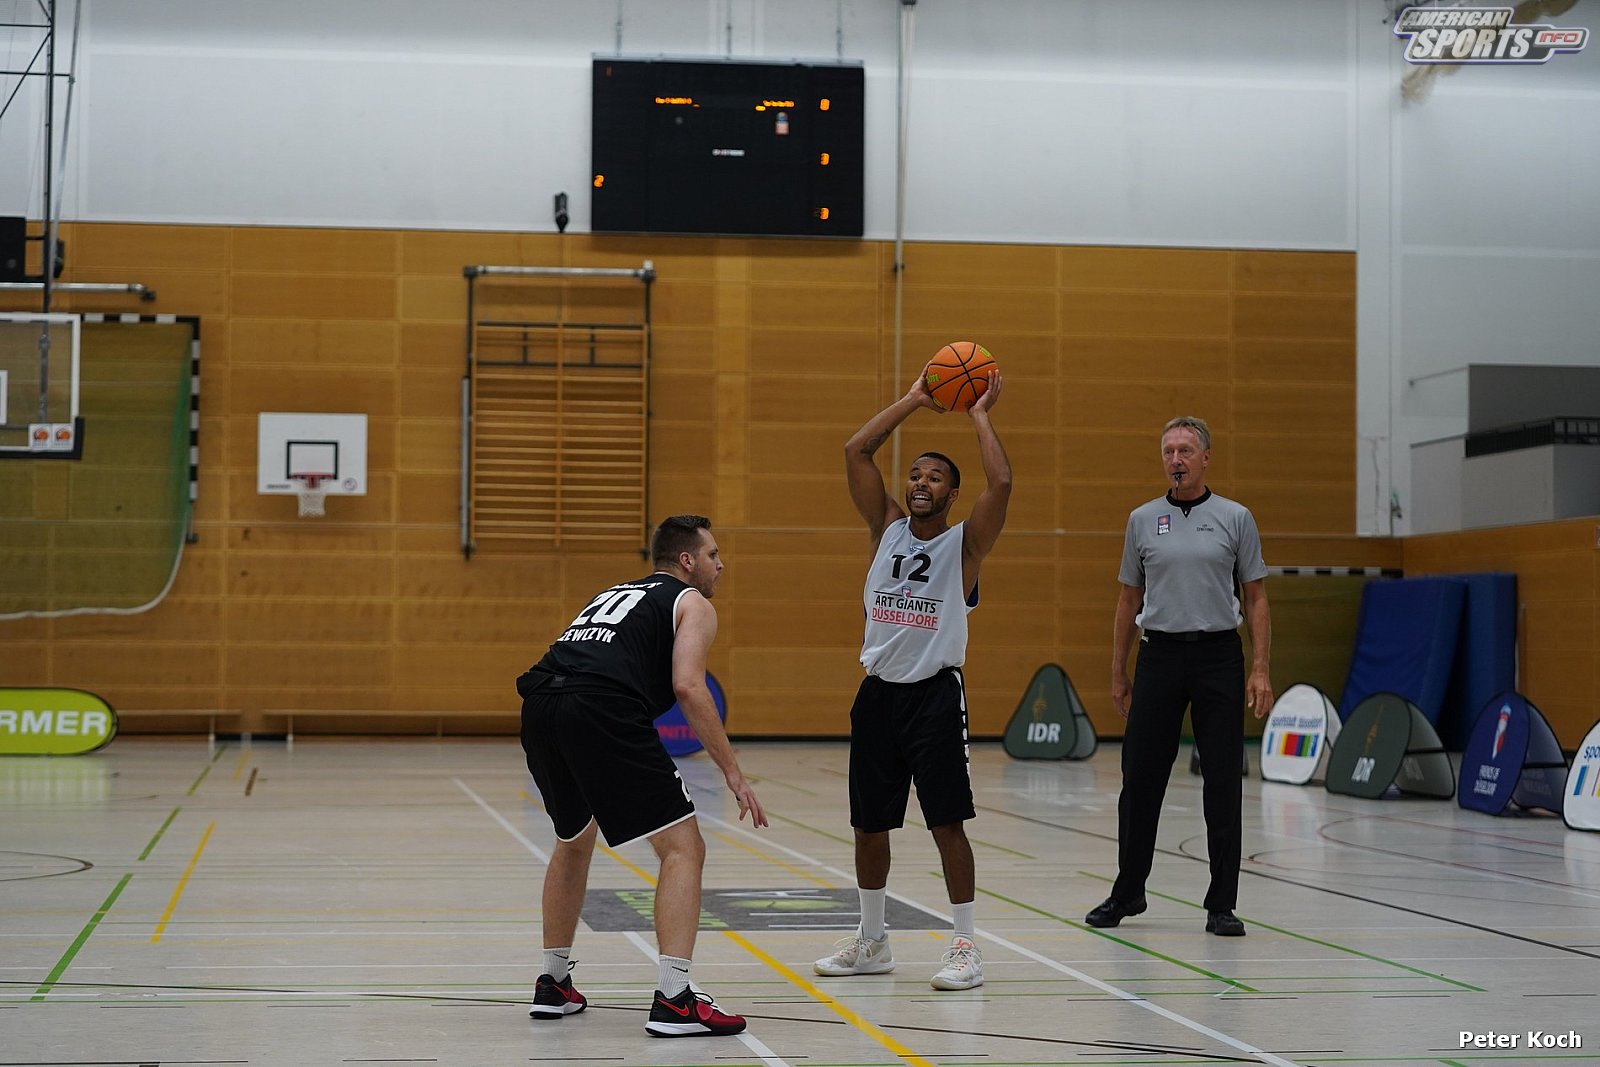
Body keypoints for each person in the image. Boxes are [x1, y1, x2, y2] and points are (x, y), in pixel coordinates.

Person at [517, 515, 767, 1037]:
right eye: (713, 555)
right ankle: (675, 998)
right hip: (599, 706)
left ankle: (553, 982)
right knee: (684, 847)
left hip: (541, 702)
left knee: (573, 839)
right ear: (687, 561)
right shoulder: (693, 602)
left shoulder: (617, 592)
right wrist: (734, 772)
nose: (721, 565)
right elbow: (689, 686)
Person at [814, 358, 1011, 990]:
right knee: (868, 825)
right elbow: (856, 449)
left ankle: (965, 946)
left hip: (934, 697)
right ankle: (873, 940)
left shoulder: (965, 547)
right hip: (878, 695)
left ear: (952, 496)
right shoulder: (886, 529)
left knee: (947, 823)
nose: (922, 482)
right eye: (917, 474)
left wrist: (978, 413)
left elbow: (1001, 483)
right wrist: (915, 399)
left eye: (936, 477)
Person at [1085, 417, 1273, 937]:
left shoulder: (1235, 517)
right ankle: (1128, 892)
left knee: (1222, 781)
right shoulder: (1142, 520)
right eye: (1169, 451)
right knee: (1140, 779)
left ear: (1206, 458)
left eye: (1186, 450)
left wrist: (1260, 667)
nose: (1176, 459)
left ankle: (1222, 904)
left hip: (1218, 657)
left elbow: (1256, 597)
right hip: (1159, 656)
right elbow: (1128, 599)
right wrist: (1119, 671)